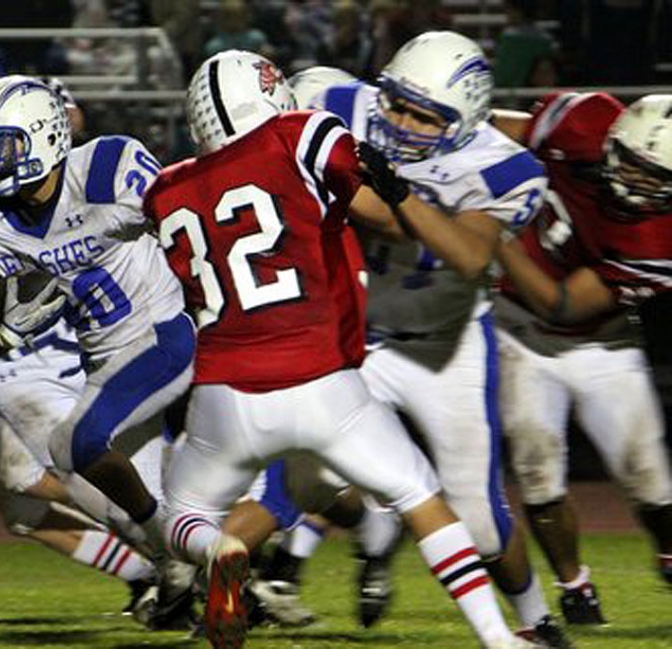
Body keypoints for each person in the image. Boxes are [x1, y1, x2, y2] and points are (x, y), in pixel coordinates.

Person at [146, 48, 534, 649]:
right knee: (419, 497)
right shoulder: (308, 131)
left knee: (180, 519)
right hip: (322, 375)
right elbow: (377, 210)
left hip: (224, 387)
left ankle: (219, 551)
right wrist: (395, 191)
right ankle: (499, 637)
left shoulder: (165, 190)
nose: (403, 123)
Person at [261, 32, 571, 646]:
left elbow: (467, 257)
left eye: (423, 116)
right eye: (396, 105)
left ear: (464, 121)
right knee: (301, 479)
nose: (402, 122)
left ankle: (537, 620)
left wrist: (393, 191)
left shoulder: (503, 169)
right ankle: (263, 570)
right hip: (358, 335)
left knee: (480, 523)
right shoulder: (339, 107)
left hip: (443, 347)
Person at [0, 32, 163, 613]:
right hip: (4, 350)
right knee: (21, 504)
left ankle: (176, 558)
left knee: (78, 466)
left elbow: (68, 116)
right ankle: (153, 570)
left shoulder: (11, 123)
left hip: (73, 334)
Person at [0, 75, 194, 580]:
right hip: (105, 364)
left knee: (74, 445)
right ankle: (222, 578)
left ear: (44, 135)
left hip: (162, 335)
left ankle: (173, 557)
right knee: (160, 499)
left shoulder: (105, 167)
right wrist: (9, 333)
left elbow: (182, 225)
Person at [490, 92, 672, 624]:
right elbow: (509, 130)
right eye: (639, 170)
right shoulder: (582, 120)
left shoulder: (659, 239)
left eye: (659, 179)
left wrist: (489, 236)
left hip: (600, 342)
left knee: (652, 482)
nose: (644, 188)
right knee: (538, 475)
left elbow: (563, 304)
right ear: (614, 143)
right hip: (517, 329)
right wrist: (459, 128)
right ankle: (575, 587)